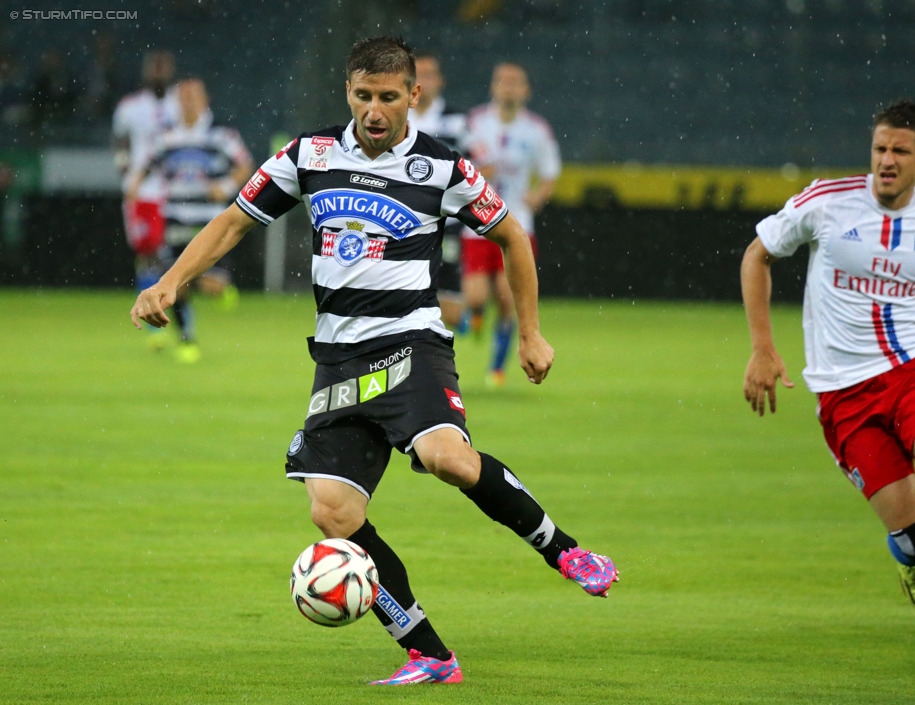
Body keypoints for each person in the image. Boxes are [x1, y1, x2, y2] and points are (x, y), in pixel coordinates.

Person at [130, 36, 617, 685]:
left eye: (389, 96)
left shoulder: (443, 168)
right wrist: (170, 281)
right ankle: (429, 653)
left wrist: (529, 332)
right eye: (364, 95)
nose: (375, 109)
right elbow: (233, 222)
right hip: (336, 359)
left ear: (413, 95)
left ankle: (565, 551)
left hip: (412, 343)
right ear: (349, 93)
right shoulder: (309, 154)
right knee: (332, 512)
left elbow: (511, 236)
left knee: (448, 458)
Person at [741, 99, 915, 616]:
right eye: (880, 148)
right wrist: (763, 347)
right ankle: (913, 560)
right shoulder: (827, 202)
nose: (887, 160)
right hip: (845, 393)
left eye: (900, 151)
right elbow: (757, 254)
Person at [126, 78, 254, 363]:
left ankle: (218, 288)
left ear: (205, 99)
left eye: (193, 97)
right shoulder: (166, 136)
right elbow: (146, 165)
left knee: (212, 283)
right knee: (176, 280)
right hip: (175, 217)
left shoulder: (221, 134)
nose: (188, 103)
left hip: (211, 220)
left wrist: (226, 186)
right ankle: (186, 338)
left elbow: (245, 165)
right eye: (183, 97)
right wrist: (134, 186)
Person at [463, 61, 561, 386]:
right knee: (476, 297)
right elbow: (457, 160)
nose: (508, 88)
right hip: (476, 222)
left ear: (526, 90)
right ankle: (474, 318)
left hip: (517, 222)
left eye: (515, 82)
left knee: (508, 300)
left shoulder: (536, 129)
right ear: (493, 87)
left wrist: (538, 196)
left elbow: (550, 171)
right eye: (502, 81)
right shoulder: (475, 122)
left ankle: (497, 367)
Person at [112, 50, 180, 348]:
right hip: (142, 193)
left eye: (163, 68)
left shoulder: (179, 105)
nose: (159, 73)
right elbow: (120, 142)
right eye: (155, 68)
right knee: (148, 252)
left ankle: (168, 313)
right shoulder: (130, 107)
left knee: (169, 253)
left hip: (174, 191)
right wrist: (127, 173)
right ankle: (153, 318)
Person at [408, 52, 469, 330]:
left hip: (448, 223)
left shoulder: (458, 121)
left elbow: (476, 166)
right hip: (404, 221)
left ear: (440, 81)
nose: (423, 81)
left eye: (429, 75)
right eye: (418, 74)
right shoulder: (397, 118)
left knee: (452, 314)